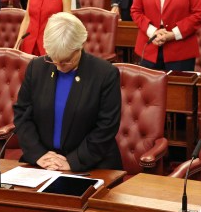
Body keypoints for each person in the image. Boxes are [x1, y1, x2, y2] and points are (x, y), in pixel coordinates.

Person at [12, 12, 123, 172]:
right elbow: (22, 114)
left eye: (65, 60)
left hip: (92, 164)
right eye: (53, 58)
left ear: (80, 46)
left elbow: (106, 127)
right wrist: (38, 154)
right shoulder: (37, 67)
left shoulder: (105, 74)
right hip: (43, 163)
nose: (58, 66)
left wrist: (73, 161)